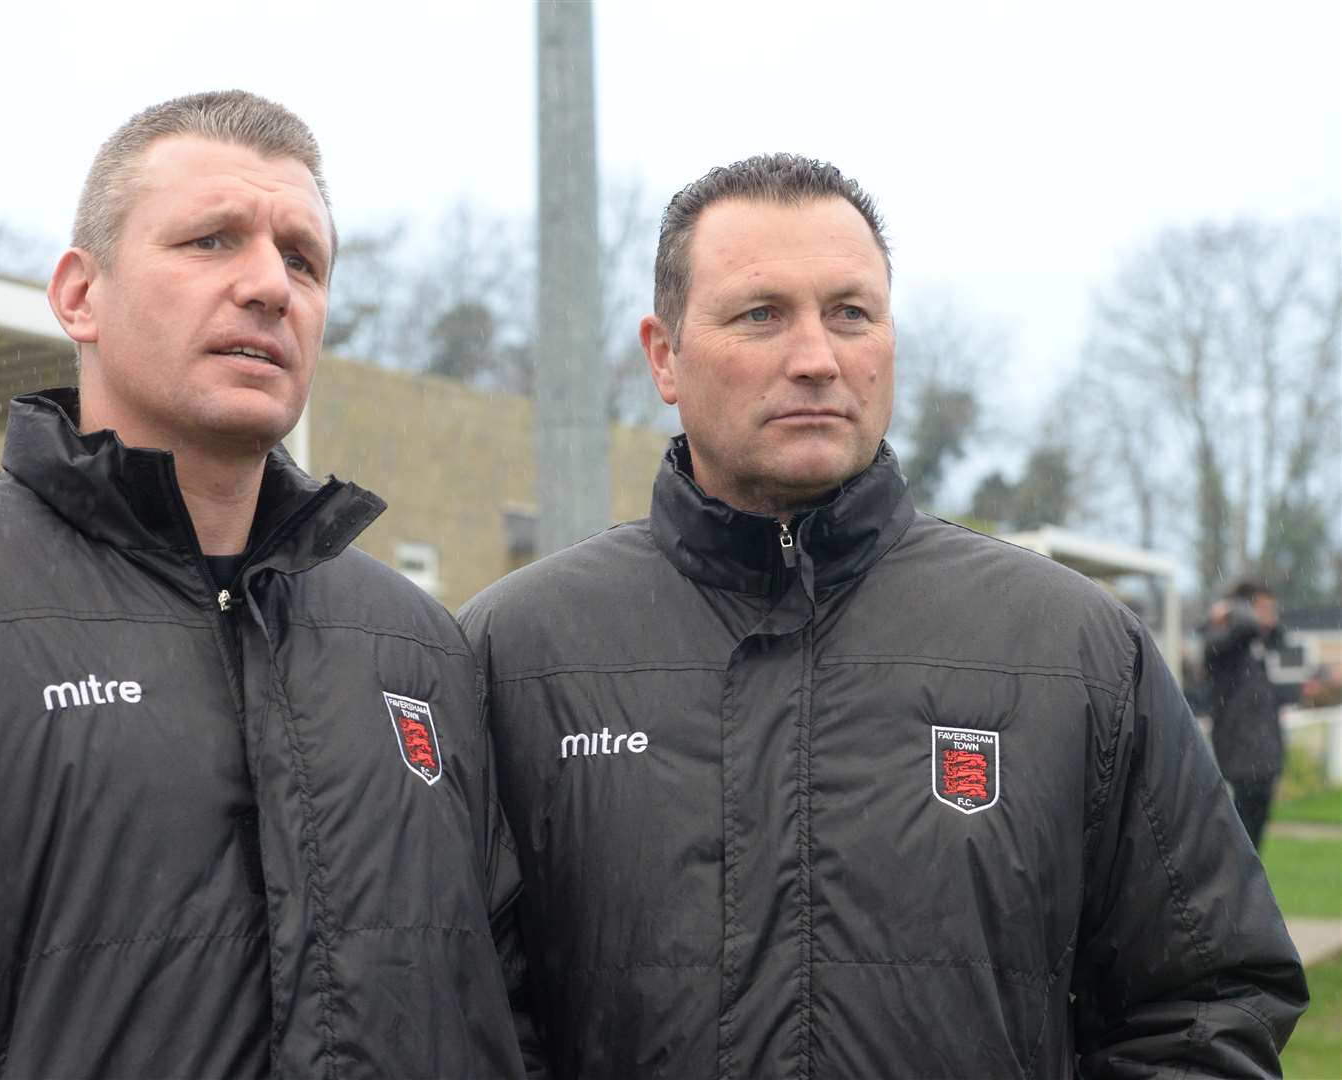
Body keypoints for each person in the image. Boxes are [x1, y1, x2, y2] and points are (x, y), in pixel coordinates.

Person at [0, 91, 525, 1078]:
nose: (269, 285)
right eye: (210, 241)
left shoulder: (419, 648)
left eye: (303, 259)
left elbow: (503, 1012)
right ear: (77, 295)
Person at [461, 154, 1306, 1078]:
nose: (817, 358)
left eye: (850, 314)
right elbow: (452, 1011)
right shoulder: (516, 653)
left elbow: (1208, 1002)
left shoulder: (1075, 650)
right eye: (762, 314)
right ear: (664, 355)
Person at [1204, 579, 1287, 848]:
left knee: (1253, 841)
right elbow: (1247, 626)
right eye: (1264, 609)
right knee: (1236, 839)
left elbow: (1280, 635)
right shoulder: (1224, 641)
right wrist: (1234, 610)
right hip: (1240, 757)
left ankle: (1248, 887)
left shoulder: (1259, 646)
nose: (1270, 616)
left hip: (1263, 759)